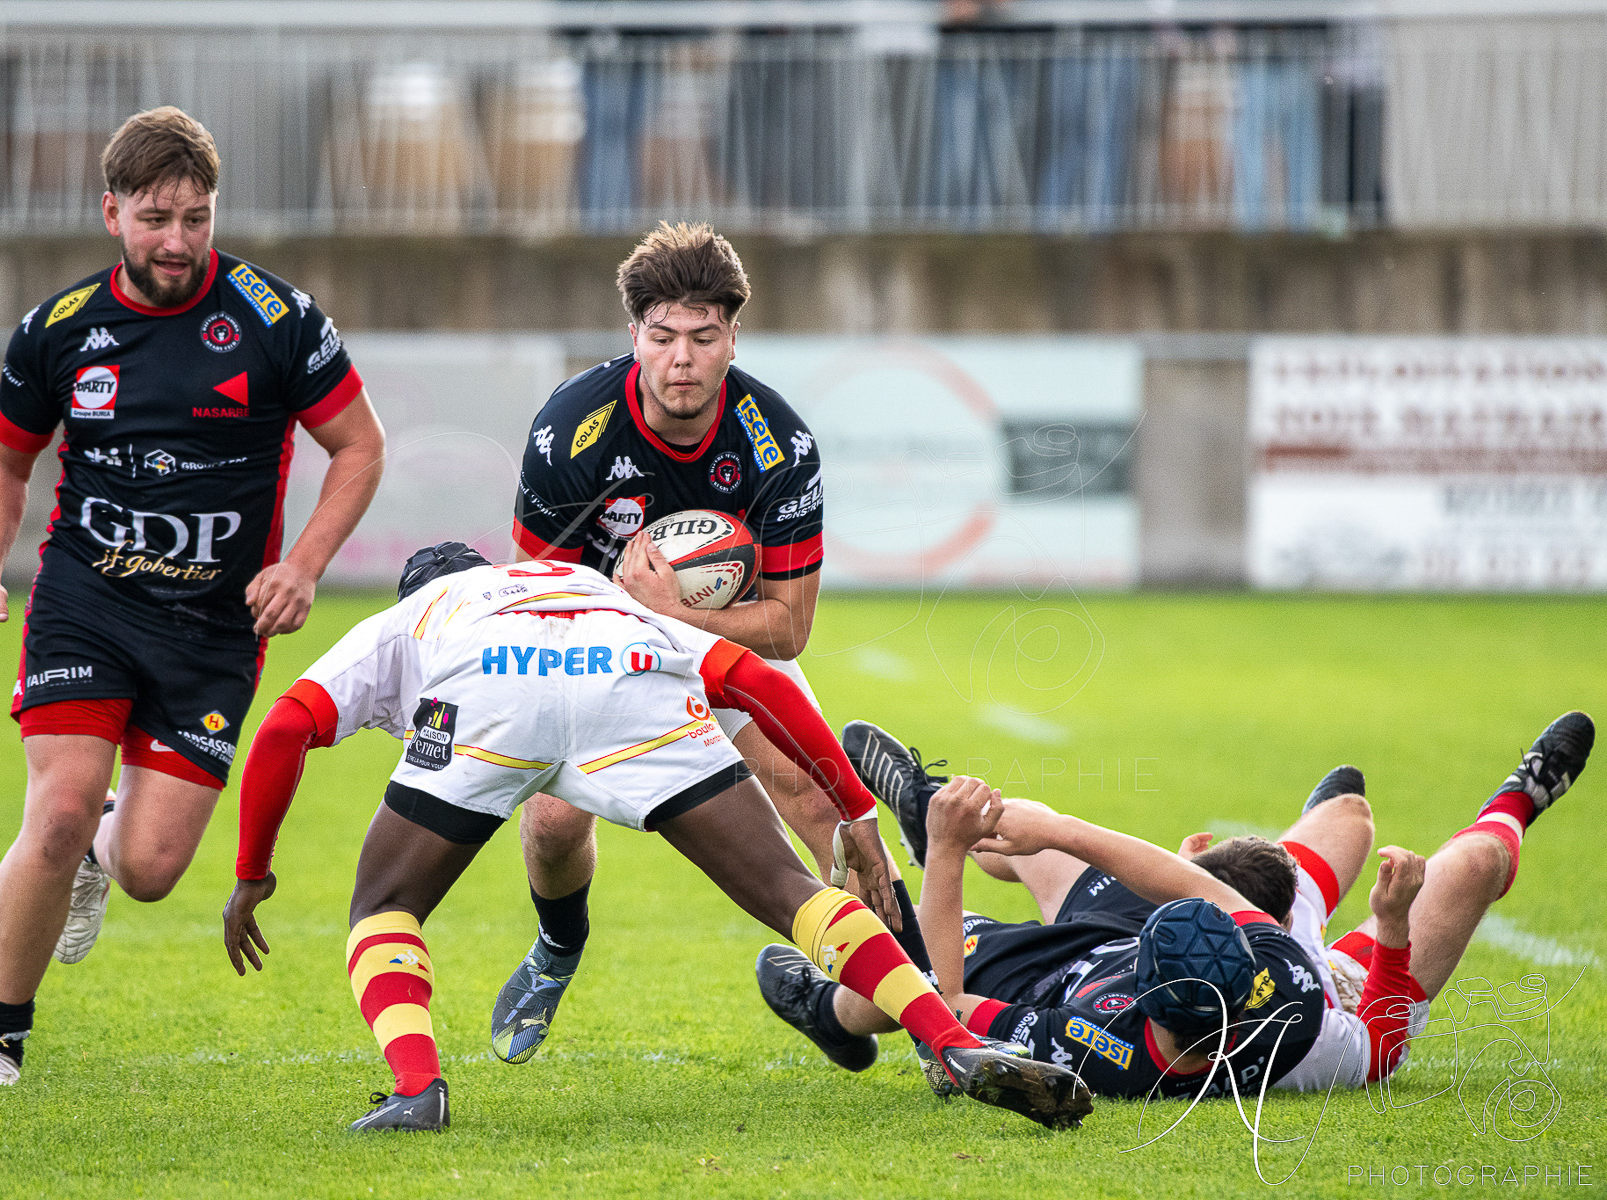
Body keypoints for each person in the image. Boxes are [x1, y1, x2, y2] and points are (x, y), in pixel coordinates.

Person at [220, 544, 1095, 1132]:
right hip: (625, 682)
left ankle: (417, 1089)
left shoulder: (417, 615)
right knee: (795, 897)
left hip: (491, 699)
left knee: (387, 905)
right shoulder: (588, 587)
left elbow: (282, 729)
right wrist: (855, 808)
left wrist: (252, 873)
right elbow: (757, 681)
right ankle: (953, 1042)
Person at [0, 106, 386, 1085]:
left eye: (196, 218)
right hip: (88, 601)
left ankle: (103, 859)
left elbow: (358, 447)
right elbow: (3, 459)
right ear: (112, 213)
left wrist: (304, 564)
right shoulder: (61, 330)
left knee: (150, 872)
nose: (178, 241)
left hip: (213, 633)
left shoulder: (277, 321)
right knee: (56, 811)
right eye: (155, 219)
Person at [497, 221, 912, 1065]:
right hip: (597, 647)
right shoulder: (570, 432)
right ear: (634, 338)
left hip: (727, 648)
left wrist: (673, 614)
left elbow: (790, 627)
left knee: (831, 813)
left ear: (732, 339)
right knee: (549, 821)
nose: (680, 359)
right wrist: (631, 615)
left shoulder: (776, 443)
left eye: (702, 336)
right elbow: (533, 601)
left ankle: (921, 999)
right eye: (662, 338)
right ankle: (558, 947)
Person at [762, 740, 1327, 1099]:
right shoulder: (1289, 991)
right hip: (1108, 946)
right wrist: (1059, 830)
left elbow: (946, 1004)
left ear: (1140, 985)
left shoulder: (1097, 1052)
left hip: (1040, 977)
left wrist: (946, 851)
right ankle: (938, 810)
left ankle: (831, 1015)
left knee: (898, 957)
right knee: (1045, 844)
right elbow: (1199, 887)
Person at [1183, 711, 1594, 1091]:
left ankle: (1293, 863)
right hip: (1349, 1001)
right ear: (1285, 925)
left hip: (1255, 941)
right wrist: (1394, 921)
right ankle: (1515, 802)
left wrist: (1182, 873)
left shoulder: (1153, 940)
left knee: (1350, 809)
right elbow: (1379, 1046)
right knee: (1479, 864)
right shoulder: (1297, 1038)